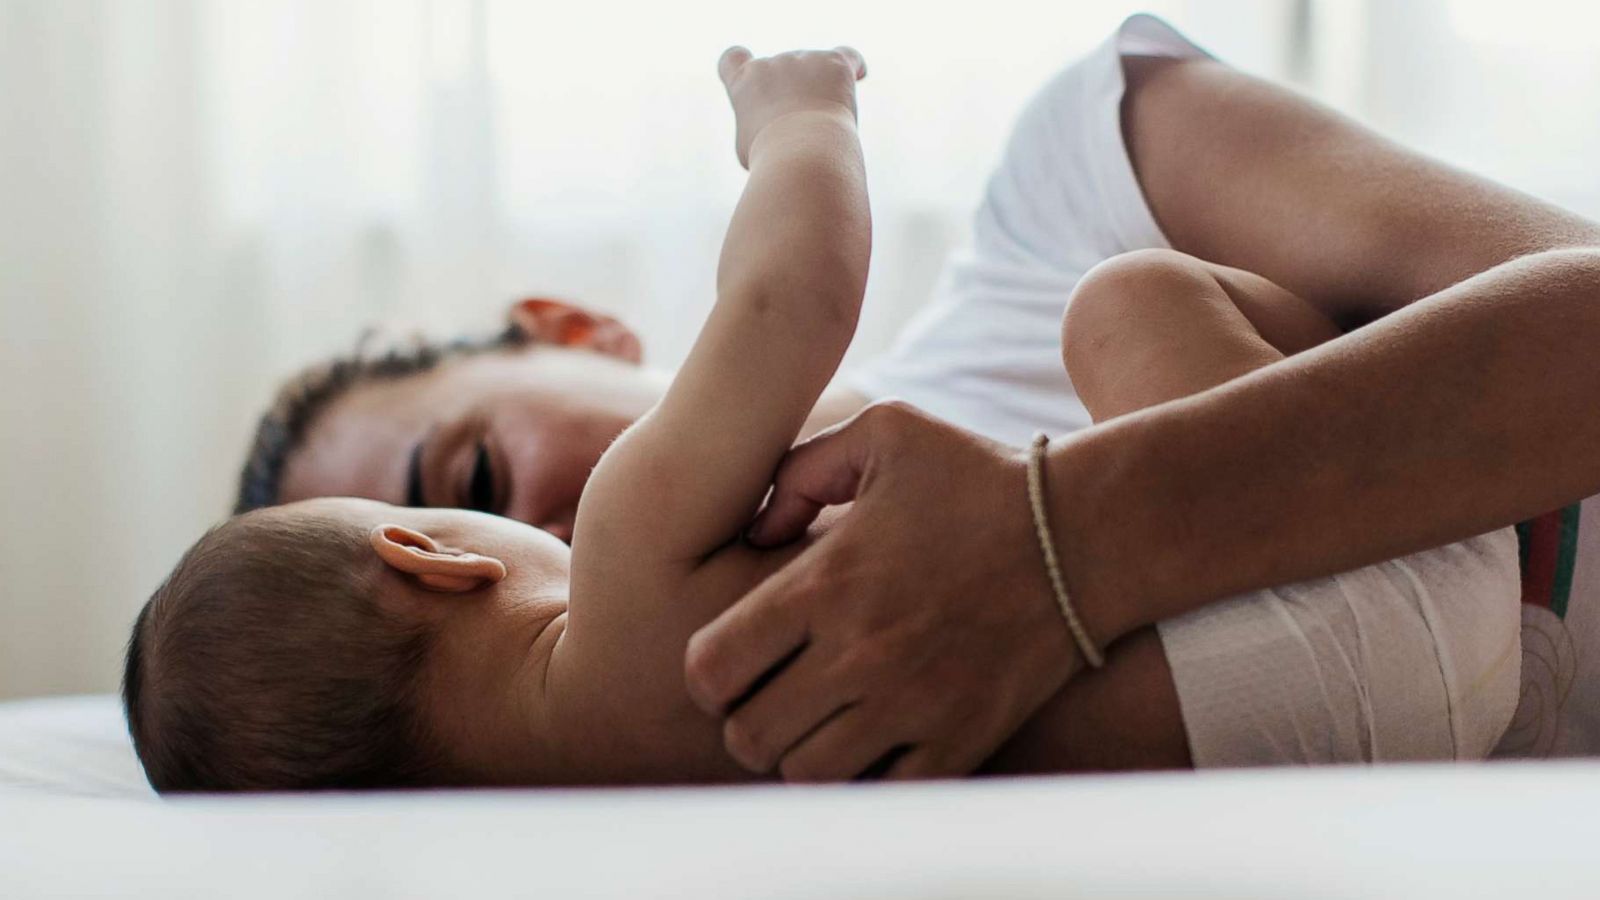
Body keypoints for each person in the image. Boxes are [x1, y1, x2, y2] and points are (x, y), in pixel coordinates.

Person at [232, 15, 1580, 773]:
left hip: (1407, 721)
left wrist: (1067, 542)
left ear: (565, 323)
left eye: (473, 469)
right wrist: (797, 117)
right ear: (433, 570)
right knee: (1136, 305)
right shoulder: (641, 567)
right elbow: (793, 292)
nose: (557, 523)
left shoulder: (1083, 171)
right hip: (1414, 610)